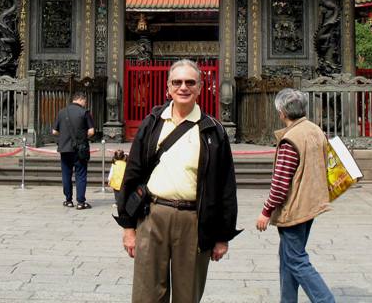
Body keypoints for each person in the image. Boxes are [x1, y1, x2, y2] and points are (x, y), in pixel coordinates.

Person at [116, 59, 240, 303]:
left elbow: (226, 185)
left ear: (200, 88)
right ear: (168, 87)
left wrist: (222, 236)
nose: (183, 87)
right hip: (152, 216)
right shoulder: (152, 123)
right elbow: (132, 175)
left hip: (193, 220)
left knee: (188, 295)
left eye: (190, 82)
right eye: (177, 82)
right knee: (146, 294)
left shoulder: (213, 130)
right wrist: (128, 229)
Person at [255, 88, 336, 303]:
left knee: (296, 259)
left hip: (295, 207)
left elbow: (280, 185)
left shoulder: (291, 139)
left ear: (281, 111)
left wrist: (265, 211)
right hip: (311, 203)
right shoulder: (316, 130)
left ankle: (325, 300)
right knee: (288, 257)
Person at [52, 91, 95, 210]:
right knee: (80, 174)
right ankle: (81, 202)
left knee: (66, 174)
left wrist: (65, 135)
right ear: (81, 99)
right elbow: (91, 131)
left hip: (65, 149)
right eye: (85, 101)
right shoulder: (84, 112)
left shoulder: (62, 112)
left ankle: (68, 200)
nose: (85, 103)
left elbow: (54, 131)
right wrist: (82, 137)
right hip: (80, 149)